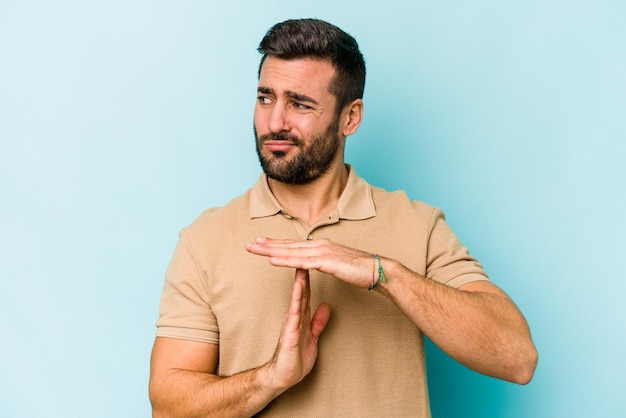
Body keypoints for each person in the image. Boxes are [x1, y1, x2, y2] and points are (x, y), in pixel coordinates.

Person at [149, 18, 538, 417]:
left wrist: (382, 272)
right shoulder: (205, 240)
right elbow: (168, 409)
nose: (275, 121)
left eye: (299, 104)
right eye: (266, 98)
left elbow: (517, 357)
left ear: (350, 117)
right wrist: (270, 378)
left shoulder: (417, 225)